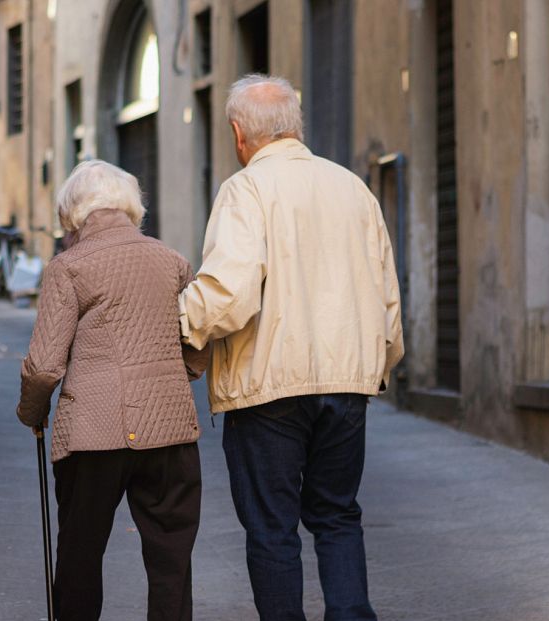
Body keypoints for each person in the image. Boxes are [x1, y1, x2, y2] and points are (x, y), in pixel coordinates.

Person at [179, 75, 405, 620]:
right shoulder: (353, 188)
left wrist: (180, 325)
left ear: (239, 134)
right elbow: (387, 299)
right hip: (346, 384)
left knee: (272, 528)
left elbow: (228, 295)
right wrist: (376, 365)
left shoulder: (246, 190)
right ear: (295, 127)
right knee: (338, 516)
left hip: (268, 388)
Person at [17, 160, 208, 621]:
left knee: (80, 554)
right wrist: (174, 375)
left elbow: (44, 367)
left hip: (93, 437)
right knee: (172, 559)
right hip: (169, 432)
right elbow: (199, 337)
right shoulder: (173, 260)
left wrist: (31, 411)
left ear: (72, 214)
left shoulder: (68, 267)